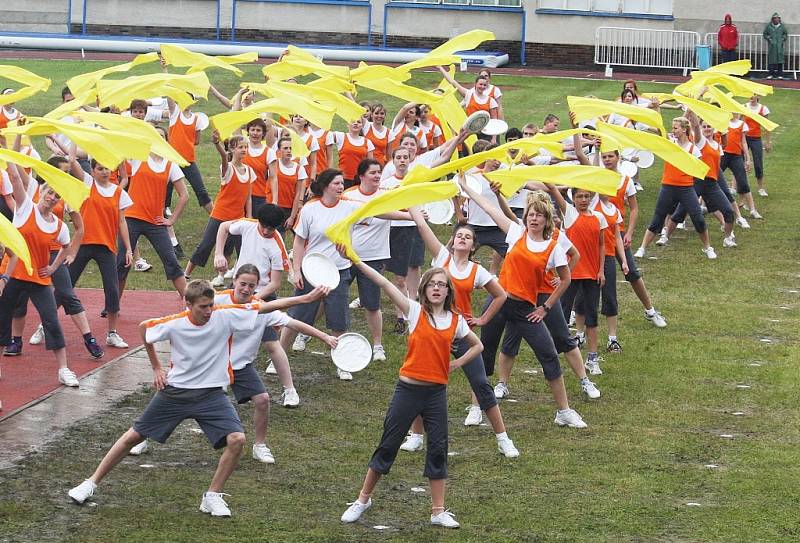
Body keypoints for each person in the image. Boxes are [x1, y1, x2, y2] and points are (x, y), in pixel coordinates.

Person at [67, 279, 328, 516]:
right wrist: (157, 367)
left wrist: (304, 299)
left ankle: (212, 496)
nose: (208, 311)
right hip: (175, 394)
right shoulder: (175, 322)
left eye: (211, 305)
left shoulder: (223, 316)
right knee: (133, 437)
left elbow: (265, 308)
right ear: (188, 304)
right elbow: (144, 329)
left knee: (237, 439)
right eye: (203, 306)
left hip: (211, 396)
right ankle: (90, 483)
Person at [340, 263, 482, 529]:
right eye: (432, 284)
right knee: (389, 444)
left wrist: (456, 363)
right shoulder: (414, 311)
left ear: (448, 290)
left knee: (438, 448)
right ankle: (363, 499)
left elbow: (478, 345)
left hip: (436, 394)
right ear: (425, 289)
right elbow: (384, 283)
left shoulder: (455, 320)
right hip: (408, 391)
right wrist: (357, 262)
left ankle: (438, 511)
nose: (437, 288)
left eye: (442, 284)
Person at [458, 177, 589, 428]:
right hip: (499, 302)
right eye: (530, 214)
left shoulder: (553, 247)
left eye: (539, 215)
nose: (534, 218)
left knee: (549, 354)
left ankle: (564, 411)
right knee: (484, 354)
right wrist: (466, 188)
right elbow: (489, 208)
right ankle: (475, 407)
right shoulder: (516, 233)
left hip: (525, 309)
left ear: (545, 219)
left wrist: (546, 307)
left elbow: (565, 278)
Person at [398, 206, 519, 458]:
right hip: (431, 331)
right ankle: (416, 436)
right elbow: (422, 226)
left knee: (481, 384)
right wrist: (413, 203)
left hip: (459, 331)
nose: (462, 239)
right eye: (459, 236)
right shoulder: (441, 258)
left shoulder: (477, 271)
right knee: (421, 382)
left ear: (473, 246)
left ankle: (503, 438)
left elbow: (501, 295)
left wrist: (483, 319)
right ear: (452, 242)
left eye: (468, 237)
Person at [212, 205, 301, 408]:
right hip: (237, 291)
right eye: (264, 226)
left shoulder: (277, 246)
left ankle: (289, 390)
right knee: (220, 336)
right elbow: (224, 227)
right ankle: (219, 381)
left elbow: (275, 283)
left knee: (271, 344)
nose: (267, 231)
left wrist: (253, 299)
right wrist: (219, 253)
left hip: (262, 296)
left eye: (272, 228)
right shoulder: (247, 225)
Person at [0, 162, 80, 386]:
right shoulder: (25, 207)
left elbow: (66, 247)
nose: (52, 197)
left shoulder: (59, 226)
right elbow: (15, 177)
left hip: (38, 278)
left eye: (57, 196)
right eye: (49, 192)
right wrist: (5, 150)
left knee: (51, 320)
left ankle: (64, 369)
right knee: (2, 320)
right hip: (11, 275)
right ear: (41, 192)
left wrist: (53, 268)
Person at [279, 169, 361, 381]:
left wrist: (409, 213)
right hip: (312, 270)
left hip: (339, 271)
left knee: (339, 320)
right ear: (325, 186)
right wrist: (296, 270)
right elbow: (299, 241)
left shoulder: (350, 206)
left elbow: (377, 210)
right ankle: (278, 357)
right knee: (297, 316)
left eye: (342, 183)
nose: (341, 187)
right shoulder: (310, 209)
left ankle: (342, 363)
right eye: (336, 183)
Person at [66, 150, 134, 349]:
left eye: (107, 168)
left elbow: (122, 222)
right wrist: (72, 136)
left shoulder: (119, 192)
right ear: (93, 171)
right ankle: (45, 325)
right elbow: (71, 161)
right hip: (83, 244)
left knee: (112, 290)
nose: (104, 172)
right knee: (66, 285)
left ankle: (112, 333)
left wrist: (128, 249)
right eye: (100, 168)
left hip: (106, 247)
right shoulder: (88, 184)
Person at [118, 126, 189, 299]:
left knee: (171, 262)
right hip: (131, 218)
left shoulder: (171, 165)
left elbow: (184, 195)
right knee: (122, 263)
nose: (157, 138)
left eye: (161, 136)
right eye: (154, 135)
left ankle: (191, 302)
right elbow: (119, 151)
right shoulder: (138, 157)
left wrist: (171, 219)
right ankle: (113, 304)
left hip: (155, 222)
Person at [634, 117, 717, 260]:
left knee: (698, 219)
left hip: (686, 189)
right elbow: (660, 131)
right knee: (657, 219)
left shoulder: (694, 149)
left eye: (675, 128)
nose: (673, 131)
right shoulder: (670, 144)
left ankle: (708, 247)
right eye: (673, 128)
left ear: (684, 129)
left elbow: (699, 170)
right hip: (668, 187)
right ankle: (642, 248)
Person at [659, 110, 736, 249]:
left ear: (713, 129)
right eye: (704, 126)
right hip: (697, 182)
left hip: (712, 184)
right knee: (680, 213)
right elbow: (694, 125)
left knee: (729, 212)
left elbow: (716, 166)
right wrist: (692, 108)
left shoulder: (718, 146)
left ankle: (728, 237)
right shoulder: (700, 142)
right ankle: (665, 236)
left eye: (709, 127)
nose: (706, 129)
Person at [184, 132, 254, 287]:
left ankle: (221, 275)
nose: (244, 150)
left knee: (231, 247)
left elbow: (248, 197)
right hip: (220, 214)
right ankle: (186, 274)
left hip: (238, 217)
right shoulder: (227, 169)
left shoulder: (249, 170)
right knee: (206, 245)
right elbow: (223, 158)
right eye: (240, 147)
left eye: (246, 147)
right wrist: (217, 144)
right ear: (232, 149)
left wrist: (248, 216)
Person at [721, 113, 762, 220]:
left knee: (743, 182)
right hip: (723, 155)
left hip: (736, 156)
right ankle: (702, 205)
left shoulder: (742, 124)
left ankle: (753, 210)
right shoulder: (722, 122)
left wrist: (748, 158)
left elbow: (743, 142)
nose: (733, 114)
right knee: (712, 178)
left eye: (735, 112)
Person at [331, 118, 374, 188]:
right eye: (353, 122)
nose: (356, 123)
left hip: (360, 180)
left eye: (359, 122)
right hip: (343, 179)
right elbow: (325, 135)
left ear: (362, 125)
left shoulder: (368, 142)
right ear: (348, 125)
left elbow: (370, 165)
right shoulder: (341, 136)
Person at [744, 95, 772, 197]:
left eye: (754, 94)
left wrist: (768, 142)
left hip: (756, 138)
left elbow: (767, 126)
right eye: (749, 94)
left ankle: (761, 188)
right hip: (745, 138)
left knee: (758, 163)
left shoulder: (763, 109)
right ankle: (737, 187)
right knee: (740, 162)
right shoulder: (744, 107)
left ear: (758, 96)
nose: (751, 96)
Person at [763, 13, 788, 79]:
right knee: (771, 60)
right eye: (775, 18)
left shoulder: (782, 27)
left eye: (778, 18)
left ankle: (780, 74)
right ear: (772, 19)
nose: (777, 20)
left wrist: (783, 39)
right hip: (772, 46)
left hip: (780, 46)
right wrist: (769, 39)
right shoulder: (769, 27)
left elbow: (785, 34)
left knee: (780, 60)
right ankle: (770, 74)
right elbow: (765, 34)